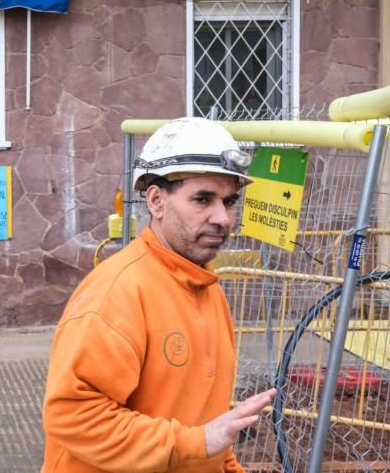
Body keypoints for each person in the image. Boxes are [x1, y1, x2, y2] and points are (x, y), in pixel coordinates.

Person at [42, 117, 276, 473]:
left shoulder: (206, 288)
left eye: (229, 201)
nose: (223, 218)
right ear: (156, 201)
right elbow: (72, 415)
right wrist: (198, 443)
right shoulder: (116, 294)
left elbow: (209, 429)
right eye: (202, 199)